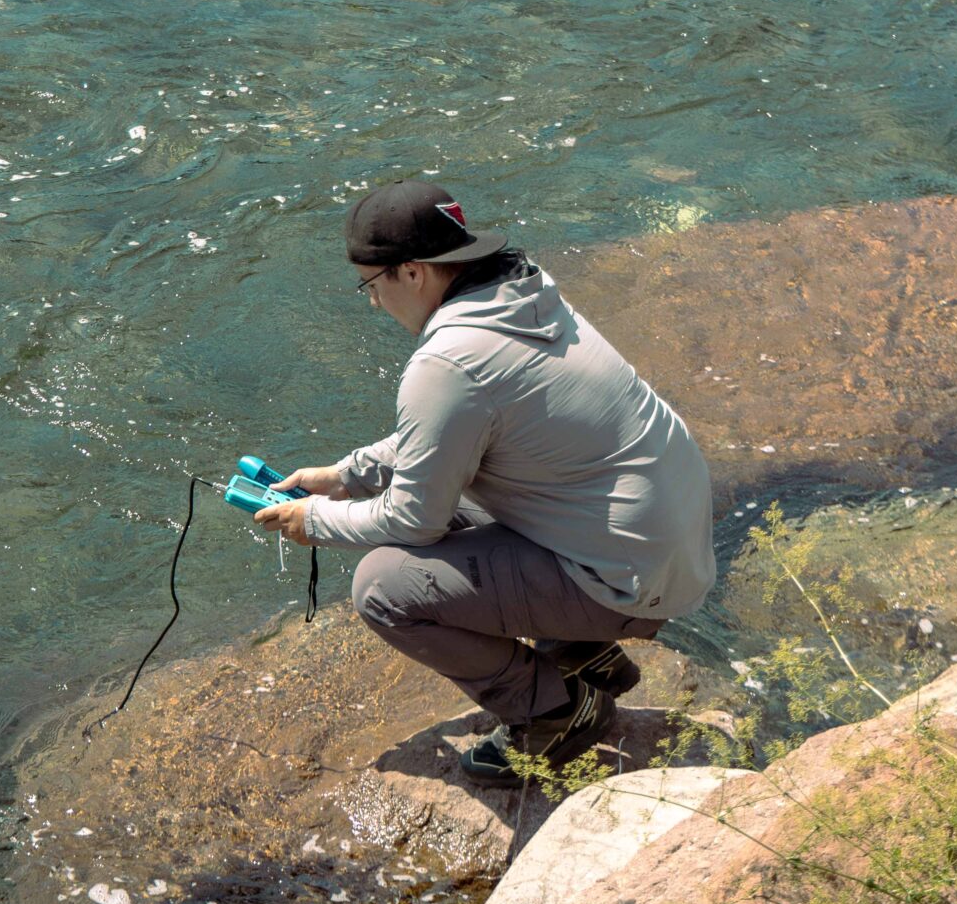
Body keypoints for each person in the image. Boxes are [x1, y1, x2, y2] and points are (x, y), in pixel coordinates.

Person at [254, 178, 714, 783]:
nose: (373, 303)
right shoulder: (523, 293)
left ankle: (556, 712)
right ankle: (583, 653)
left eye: (371, 285)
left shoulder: (446, 362)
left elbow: (413, 521)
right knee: (460, 487)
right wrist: (345, 475)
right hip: (670, 552)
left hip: (630, 583)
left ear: (413, 273)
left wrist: (310, 519)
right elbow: (458, 430)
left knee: (383, 587)